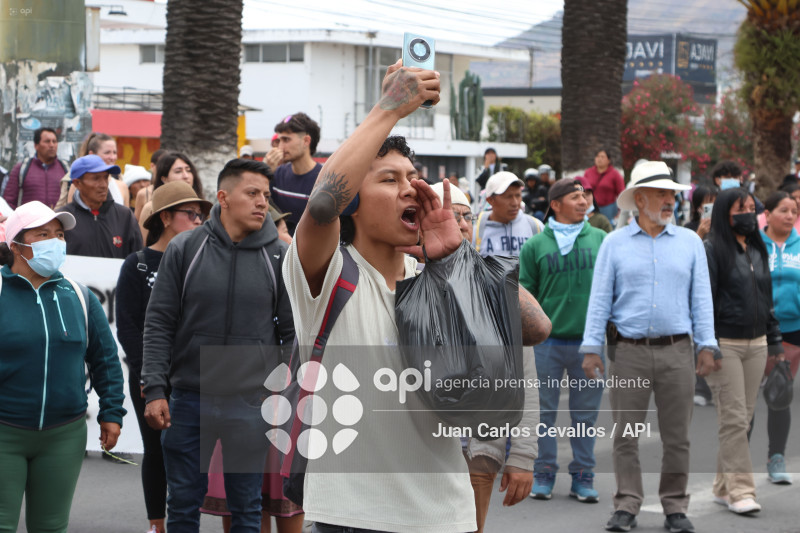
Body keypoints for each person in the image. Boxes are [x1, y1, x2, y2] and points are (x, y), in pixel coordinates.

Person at [285, 58, 551, 532]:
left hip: (446, 515)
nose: (412, 188)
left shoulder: (443, 274)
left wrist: (458, 259)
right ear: (355, 206)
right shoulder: (329, 273)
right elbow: (323, 201)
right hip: (349, 517)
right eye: (389, 179)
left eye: (413, 176)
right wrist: (388, 108)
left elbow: (535, 328)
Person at [142, 158, 294, 532]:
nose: (263, 202)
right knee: (182, 504)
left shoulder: (279, 255)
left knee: (246, 507)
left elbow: (292, 333)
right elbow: (159, 321)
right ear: (223, 198)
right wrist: (156, 389)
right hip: (189, 397)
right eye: (253, 193)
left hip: (250, 403)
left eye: (266, 195)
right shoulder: (185, 249)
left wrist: (277, 391)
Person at [581, 161, 719, 533]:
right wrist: (591, 347)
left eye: (671, 193)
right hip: (628, 352)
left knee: (678, 436)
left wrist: (707, 344)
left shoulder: (690, 243)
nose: (669, 200)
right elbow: (600, 300)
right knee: (625, 434)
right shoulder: (614, 244)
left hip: (678, 350)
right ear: (639, 199)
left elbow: (701, 299)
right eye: (661, 193)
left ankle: (675, 506)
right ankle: (627, 503)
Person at [0, 201, 126, 532]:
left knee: (51, 527)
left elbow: (106, 360)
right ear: (16, 245)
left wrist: (112, 412)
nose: (55, 242)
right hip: (3, 432)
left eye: (59, 234)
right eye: (43, 234)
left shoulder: (79, 296)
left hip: (63, 437)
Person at [430, 181, 545, 533]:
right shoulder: (405, 279)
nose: (462, 223)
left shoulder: (498, 284)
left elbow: (524, 376)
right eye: (452, 215)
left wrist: (523, 455)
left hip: (481, 452)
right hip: (425, 455)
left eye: (467, 216)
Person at [116, 181, 211, 533]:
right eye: (191, 214)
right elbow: (128, 327)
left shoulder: (204, 260)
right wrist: (151, 376)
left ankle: (187, 520)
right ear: (167, 217)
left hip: (193, 376)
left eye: (202, 215)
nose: (199, 221)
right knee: (156, 451)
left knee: (191, 455)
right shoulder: (137, 264)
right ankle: (157, 523)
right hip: (150, 375)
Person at [520, 178, 607, 503]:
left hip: (590, 344)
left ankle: (583, 476)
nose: (583, 201)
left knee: (585, 416)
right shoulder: (535, 246)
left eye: (584, 196)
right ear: (555, 204)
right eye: (575, 197)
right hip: (547, 345)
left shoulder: (601, 239)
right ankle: (543, 473)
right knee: (543, 413)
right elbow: (526, 294)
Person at [704, 187, 782, 514]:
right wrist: (707, 345)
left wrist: (774, 339)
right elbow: (704, 300)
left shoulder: (756, 249)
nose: (750, 213)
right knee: (735, 419)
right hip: (727, 344)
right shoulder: (712, 250)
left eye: (753, 207)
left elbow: (766, 298)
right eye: (742, 208)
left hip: (758, 343)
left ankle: (723, 486)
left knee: (743, 418)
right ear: (726, 212)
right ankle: (741, 491)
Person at [760, 190, 800, 486]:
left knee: (780, 393)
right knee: (745, 398)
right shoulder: (753, 245)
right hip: (757, 330)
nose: (790, 216)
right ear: (768, 214)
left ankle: (776, 457)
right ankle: (734, 465)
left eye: (794, 211)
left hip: (792, 330)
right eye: (784, 210)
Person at [57, 155, 142, 258]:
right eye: (96, 178)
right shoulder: (63, 219)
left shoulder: (125, 216)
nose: (103, 185)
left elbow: (137, 260)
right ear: (77, 183)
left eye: (106, 177)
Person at [681, 182, 719, 408]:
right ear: (697, 206)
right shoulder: (687, 229)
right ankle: (700, 387)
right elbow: (682, 257)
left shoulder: (726, 227)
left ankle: (715, 385)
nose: (711, 206)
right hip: (694, 288)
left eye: (716, 201)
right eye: (707, 202)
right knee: (698, 337)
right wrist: (700, 233)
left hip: (718, 288)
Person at [266, 112, 322, 235]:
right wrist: (264, 174)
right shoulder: (276, 174)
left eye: (286, 140)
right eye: (279, 140)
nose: (280, 147)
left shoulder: (323, 179)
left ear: (306, 141)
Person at [473, 171, 544, 257]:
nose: (515, 203)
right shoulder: (476, 232)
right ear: (490, 200)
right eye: (508, 197)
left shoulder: (535, 227)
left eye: (518, 195)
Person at [138, 152, 205, 243]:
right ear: (164, 179)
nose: (186, 176)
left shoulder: (203, 206)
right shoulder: (151, 208)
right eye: (178, 171)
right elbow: (143, 244)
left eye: (188, 170)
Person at [3, 127, 69, 209]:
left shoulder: (66, 169)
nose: (52, 145)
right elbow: (9, 202)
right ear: (36, 145)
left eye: (54, 141)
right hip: (29, 221)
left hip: (57, 221)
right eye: (47, 141)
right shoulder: (21, 169)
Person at [583, 149, 624, 226]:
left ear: (608, 160)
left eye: (602, 157)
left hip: (608, 208)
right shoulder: (588, 173)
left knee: (607, 228)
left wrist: (621, 211)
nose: (599, 159)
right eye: (598, 156)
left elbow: (621, 192)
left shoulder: (615, 174)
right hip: (591, 208)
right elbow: (583, 190)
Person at [134, 149, 168, 222]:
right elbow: (135, 224)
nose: (165, 168)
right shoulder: (143, 194)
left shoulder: (177, 190)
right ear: (152, 166)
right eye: (161, 164)